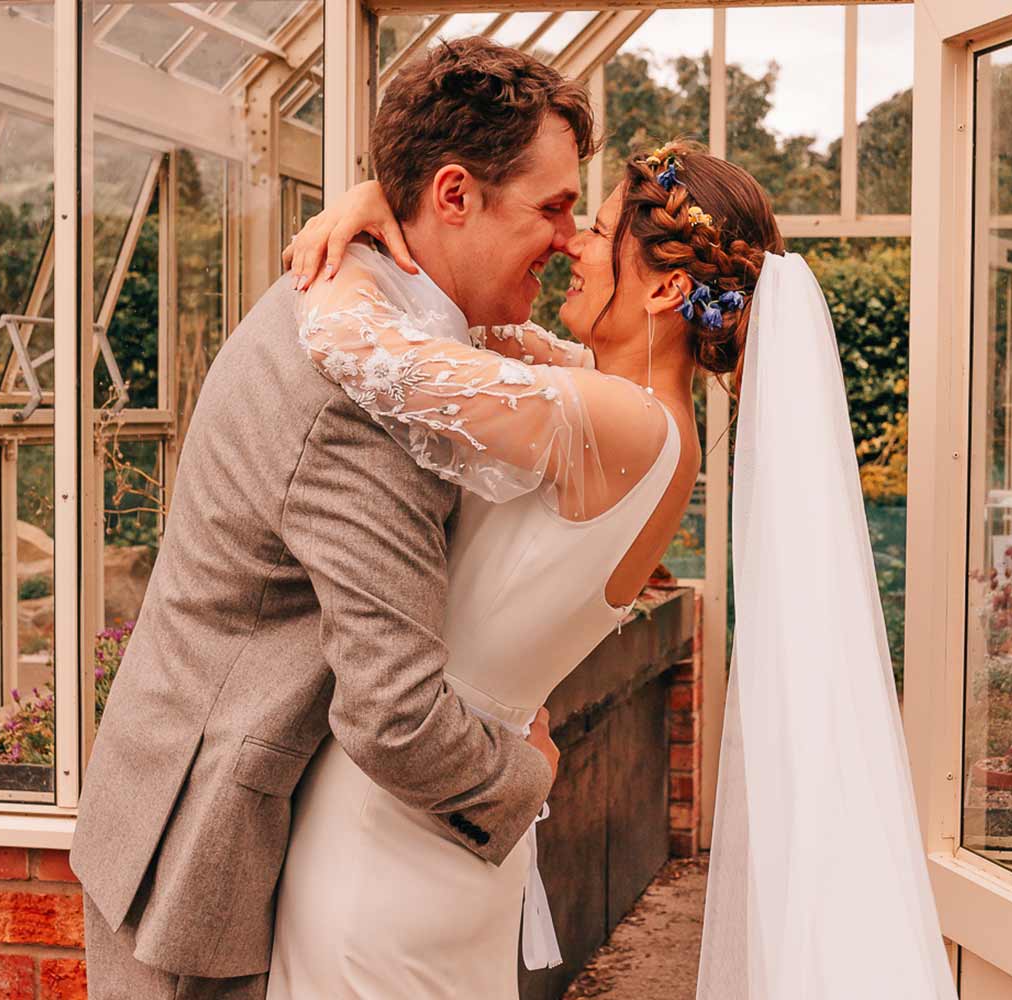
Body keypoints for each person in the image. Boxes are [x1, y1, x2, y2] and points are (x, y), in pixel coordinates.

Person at [275, 68, 956, 1000]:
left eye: (591, 233)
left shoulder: (616, 424)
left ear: (668, 285)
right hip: (460, 824)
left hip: (393, 828)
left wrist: (349, 237)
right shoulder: (640, 417)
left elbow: (362, 349)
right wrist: (392, 199)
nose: (569, 249)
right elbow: (462, 322)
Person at [68, 38, 592, 1000]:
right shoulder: (367, 392)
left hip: (234, 805)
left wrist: (364, 199)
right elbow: (392, 713)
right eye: (553, 208)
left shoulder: (386, 308)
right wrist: (529, 777)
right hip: (209, 847)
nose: (570, 237)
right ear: (453, 195)